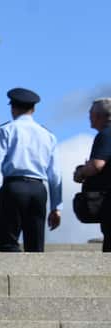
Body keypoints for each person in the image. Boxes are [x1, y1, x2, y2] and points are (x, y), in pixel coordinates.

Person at [0, 87, 62, 252]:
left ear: (13, 108)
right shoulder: (48, 135)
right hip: (38, 189)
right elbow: (55, 175)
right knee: (36, 245)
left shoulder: (6, 130)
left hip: (14, 188)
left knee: (8, 242)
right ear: (33, 109)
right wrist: (56, 207)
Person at [74, 96, 111, 252]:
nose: (89, 117)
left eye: (91, 113)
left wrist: (81, 172)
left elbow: (97, 165)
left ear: (98, 116)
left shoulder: (106, 134)